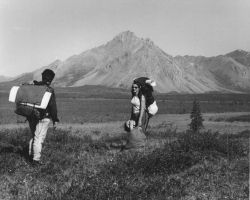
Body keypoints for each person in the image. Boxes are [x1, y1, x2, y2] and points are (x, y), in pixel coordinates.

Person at [27, 69, 59, 166]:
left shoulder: (35, 86)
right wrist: (55, 119)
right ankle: (35, 161)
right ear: (51, 79)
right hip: (43, 118)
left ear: (42, 76)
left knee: (34, 136)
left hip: (32, 115)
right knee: (39, 138)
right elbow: (52, 106)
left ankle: (30, 155)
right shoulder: (49, 90)